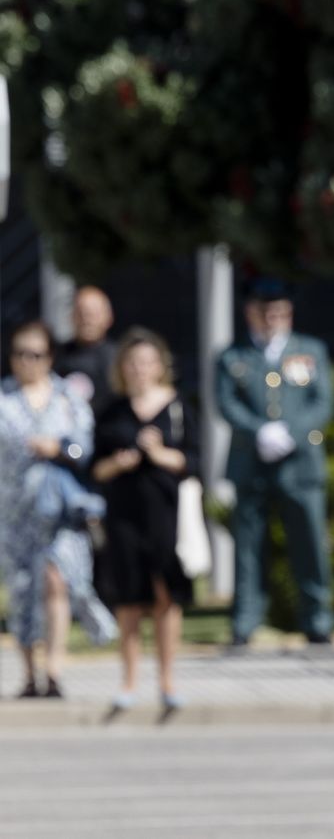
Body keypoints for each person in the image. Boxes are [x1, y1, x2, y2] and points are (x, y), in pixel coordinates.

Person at [217, 278, 334, 649]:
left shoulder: (310, 350)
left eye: (279, 312)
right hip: (252, 463)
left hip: (300, 463)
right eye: (265, 312)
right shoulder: (233, 356)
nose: (272, 319)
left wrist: (291, 433)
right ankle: (246, 620)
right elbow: (226, 403)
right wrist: (259, 432)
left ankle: (318, 620)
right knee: (249, 547)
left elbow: (323, 403)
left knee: (310, 544)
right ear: (250, 313)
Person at [0, 321, 116, 697]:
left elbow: (85, 448)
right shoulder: (3, 398)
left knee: (57, 580)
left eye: (35, 354)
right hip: (15, 511)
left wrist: (60, 448)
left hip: (60, 511)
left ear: (49, 357)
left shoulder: (67, 397)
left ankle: (54, 669)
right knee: (22, 590)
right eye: (19, 353)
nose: (26, 361)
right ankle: (29, 674)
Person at [91, 328, 198, 714]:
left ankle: (168, 680)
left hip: (165, 512)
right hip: (124, 514)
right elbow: (94, 468)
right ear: (123, 368)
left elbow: (193, 462)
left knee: (166, 596)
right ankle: (129, 681)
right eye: (133, 363)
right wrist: (117, 463)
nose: (140, 370)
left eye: (148, 362)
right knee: (130, 600)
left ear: (160, 366)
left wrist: (160, 453)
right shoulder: (111, 411)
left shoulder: (177, 407)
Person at [55, 286, 118, 416]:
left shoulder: (119, 357)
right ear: (72, 317)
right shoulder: (54, 356)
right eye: (81, 313)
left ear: (109, 317)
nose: (86, 319)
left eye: (92, 314)